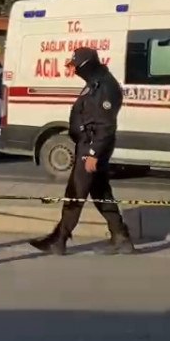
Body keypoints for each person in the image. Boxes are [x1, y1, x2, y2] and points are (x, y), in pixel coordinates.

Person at [29, 47, 134, 256]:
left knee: (75, 194)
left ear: (86, 65)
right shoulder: (95, 83)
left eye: (76, 65)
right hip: (87, 144)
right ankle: (120, 236)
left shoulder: (104, 86)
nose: (74, 69)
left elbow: (105, 125)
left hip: (92, 147)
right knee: (100, 191)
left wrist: (94, 153)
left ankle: (58, 239)